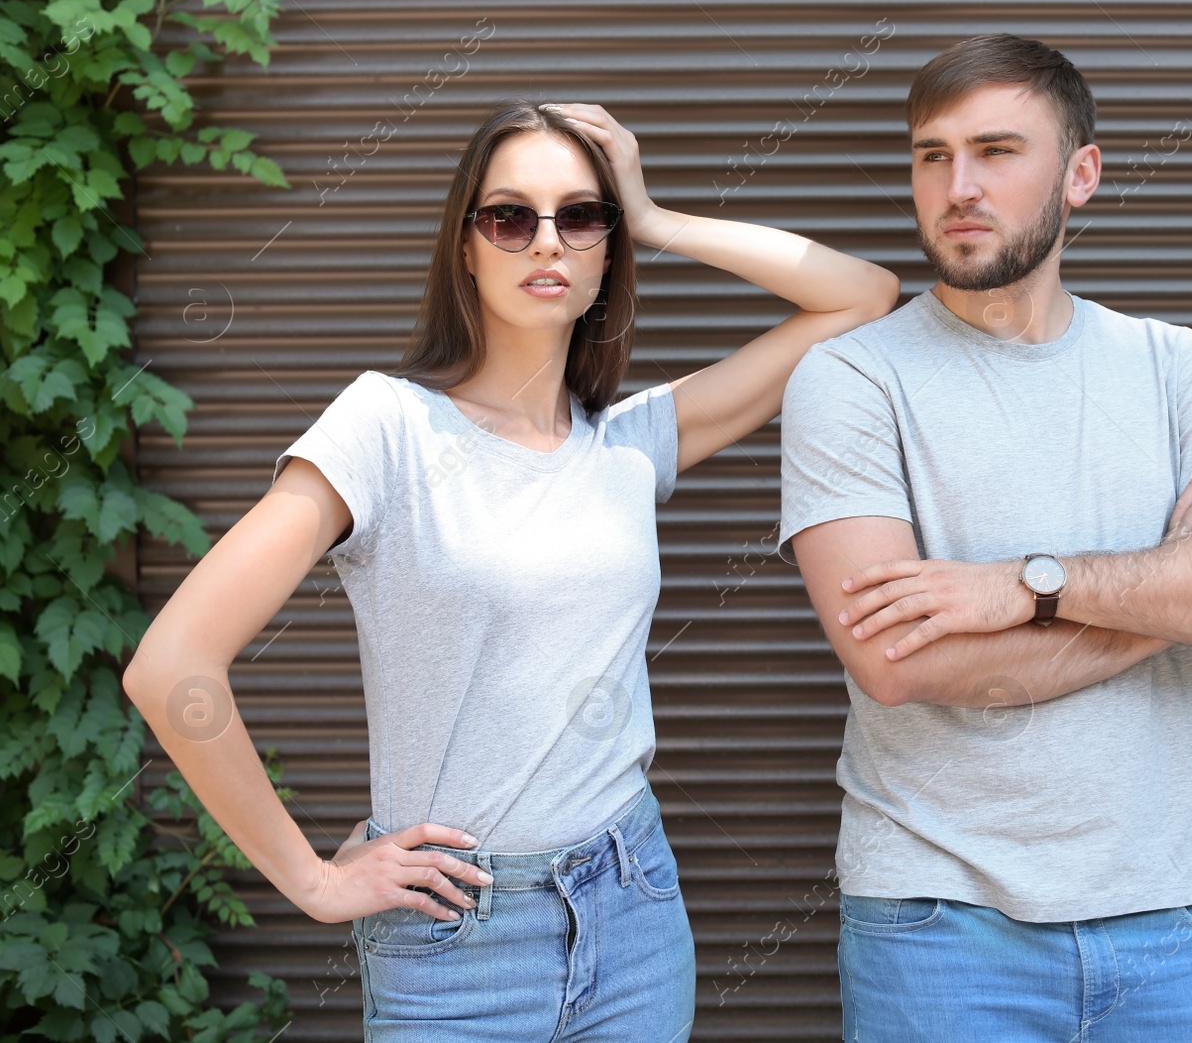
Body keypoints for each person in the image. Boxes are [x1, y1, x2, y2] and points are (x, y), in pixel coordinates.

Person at [122, 99, 899, 1041]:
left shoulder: (629, 441)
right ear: (465, 245)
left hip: (632, 911)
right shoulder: (387, 427)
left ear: (606, 251)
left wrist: (651, 214)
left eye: (580, 216)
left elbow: (861, 294)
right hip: (455, 944)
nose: (547, 242)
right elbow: (171, 667)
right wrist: (315, 880)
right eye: (509, 216)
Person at [780, 34, 1192, 1041]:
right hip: (937, 924)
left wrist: (1024, 587)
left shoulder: (1174, 365)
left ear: (1080, 175)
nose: (957, 185)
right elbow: (900, 662)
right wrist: (1178, 598)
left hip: (1166, 916)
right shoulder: (852, 379)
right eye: (930, 154)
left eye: (996, 150)